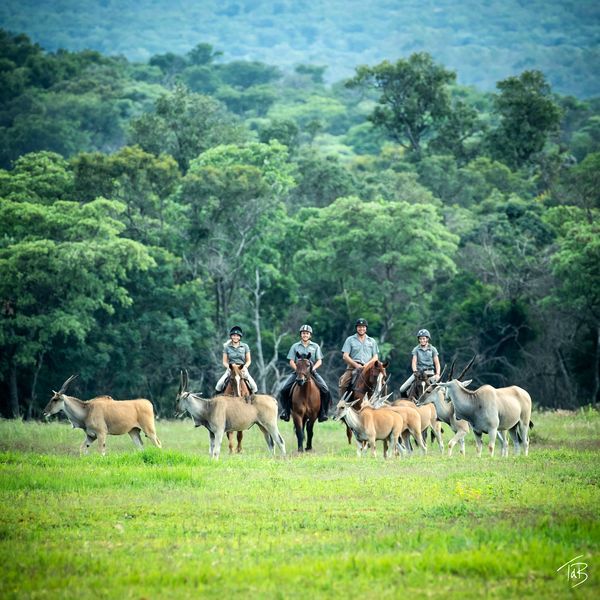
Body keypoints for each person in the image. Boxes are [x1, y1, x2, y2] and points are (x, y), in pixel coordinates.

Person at [278, 325, 331, 422]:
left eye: (307, 333)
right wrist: (298, 370)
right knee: (284, 390)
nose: (305, 335)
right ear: (300, 335)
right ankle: (286, 411)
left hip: (312, 372)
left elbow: (319, 361)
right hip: (298, 373)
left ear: (310, 335)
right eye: (303, 333)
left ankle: (323, 412)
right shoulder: (295, 346)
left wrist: (313, 368)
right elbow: (291, 361)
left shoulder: (315, 346)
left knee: (326, 390)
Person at [338, 318, 380, 400]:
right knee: (343, 384)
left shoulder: (372, 341)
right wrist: (356, 365)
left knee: (381, 382)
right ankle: (343, 403)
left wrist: (367, 365)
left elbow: (375, 357)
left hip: (369, 368)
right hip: (353, 367)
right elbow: (345, 356)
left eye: (363, 327)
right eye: (359, 327)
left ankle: (380, 401)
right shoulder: (350, 340)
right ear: (356, 328)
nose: (361, 329)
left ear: (366, 328)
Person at [215, 326, 258, 394]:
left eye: (237, 336)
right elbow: (224, 362)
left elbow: (249, 361)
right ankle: (216, 399)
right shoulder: (227, 347)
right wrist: (229, 367)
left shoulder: (245, 346)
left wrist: (245, 367)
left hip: (242, 368)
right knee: (219, 385)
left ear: (240, 337)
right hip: (231, 368)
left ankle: (254, 399)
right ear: (231, 336)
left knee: (254, 386)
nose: (235, 337)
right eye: (234, 335)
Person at [398, 328, 441, 394]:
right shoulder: (416, 349)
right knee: (402, 389)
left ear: (427, 339)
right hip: (418, 373)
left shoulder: (433, 349)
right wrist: (415, 371)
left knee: (441, 389)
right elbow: (414, 362)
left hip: (430, 373)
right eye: (420, 339)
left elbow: (437, 364)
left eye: (423, 338)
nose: (422, 340)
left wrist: (437, 374)